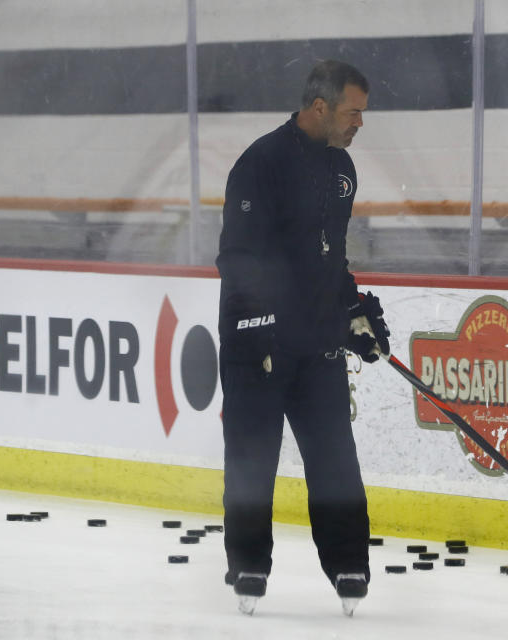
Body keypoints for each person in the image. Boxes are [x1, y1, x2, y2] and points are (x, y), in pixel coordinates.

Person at [215, 60, 390, 617]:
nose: (360, 122)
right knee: (252, 457)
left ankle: (347, 562)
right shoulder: (260, 162)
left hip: (316, 345)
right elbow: (238, 259)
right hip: (256, 345)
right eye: (352, 111)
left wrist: (354, 308)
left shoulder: (343, 171)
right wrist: (265, 322)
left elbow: (328, 259)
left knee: (335, 455)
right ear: (320, 107)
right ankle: (248, 564)